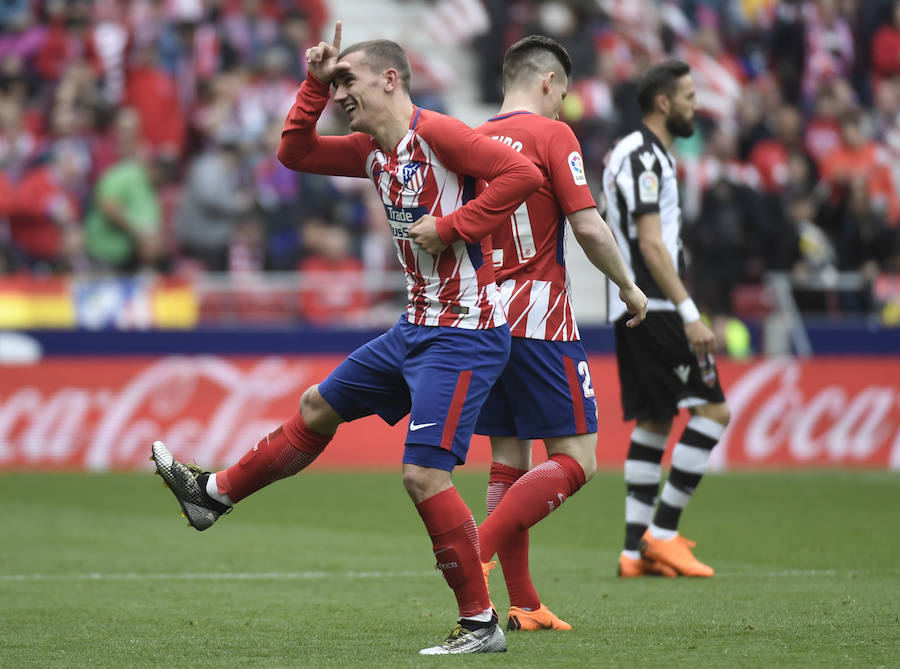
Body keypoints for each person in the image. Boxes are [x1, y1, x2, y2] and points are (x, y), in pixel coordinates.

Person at [151, 21, 543, 655]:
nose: (338, 95)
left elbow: (521, 175)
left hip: (464, 334)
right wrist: (309, 83)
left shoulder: (439, 134)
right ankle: (212, 496)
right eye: (332, 85)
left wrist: (452, 227)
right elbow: (294, 153)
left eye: (345, 82)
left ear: (390, 80)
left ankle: (480, 625)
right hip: (416, 326)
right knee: (315, 408)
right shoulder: (371, 151)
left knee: (423, 477)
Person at [468, 36, 648, 630]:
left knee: (508, 463)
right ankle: (476, 550)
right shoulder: (552, 135)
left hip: (484, 316)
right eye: (564, 94)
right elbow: (590, 228)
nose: (564, 106)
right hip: (541, 319)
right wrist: (627, 285)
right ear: (547, 81)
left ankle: (521, 604)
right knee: (578, 460)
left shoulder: (471, 140)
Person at [600, 60, 731, 578]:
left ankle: (635, 552)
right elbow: (652, 244)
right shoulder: (646, 158)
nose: (696, 106)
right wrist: (690, 312)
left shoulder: (635, 153)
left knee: (656, 418)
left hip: (634, 306)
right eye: (690, 96)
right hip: (653, 305)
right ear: (663, 102)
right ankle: (665, 532)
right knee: (713, 412)